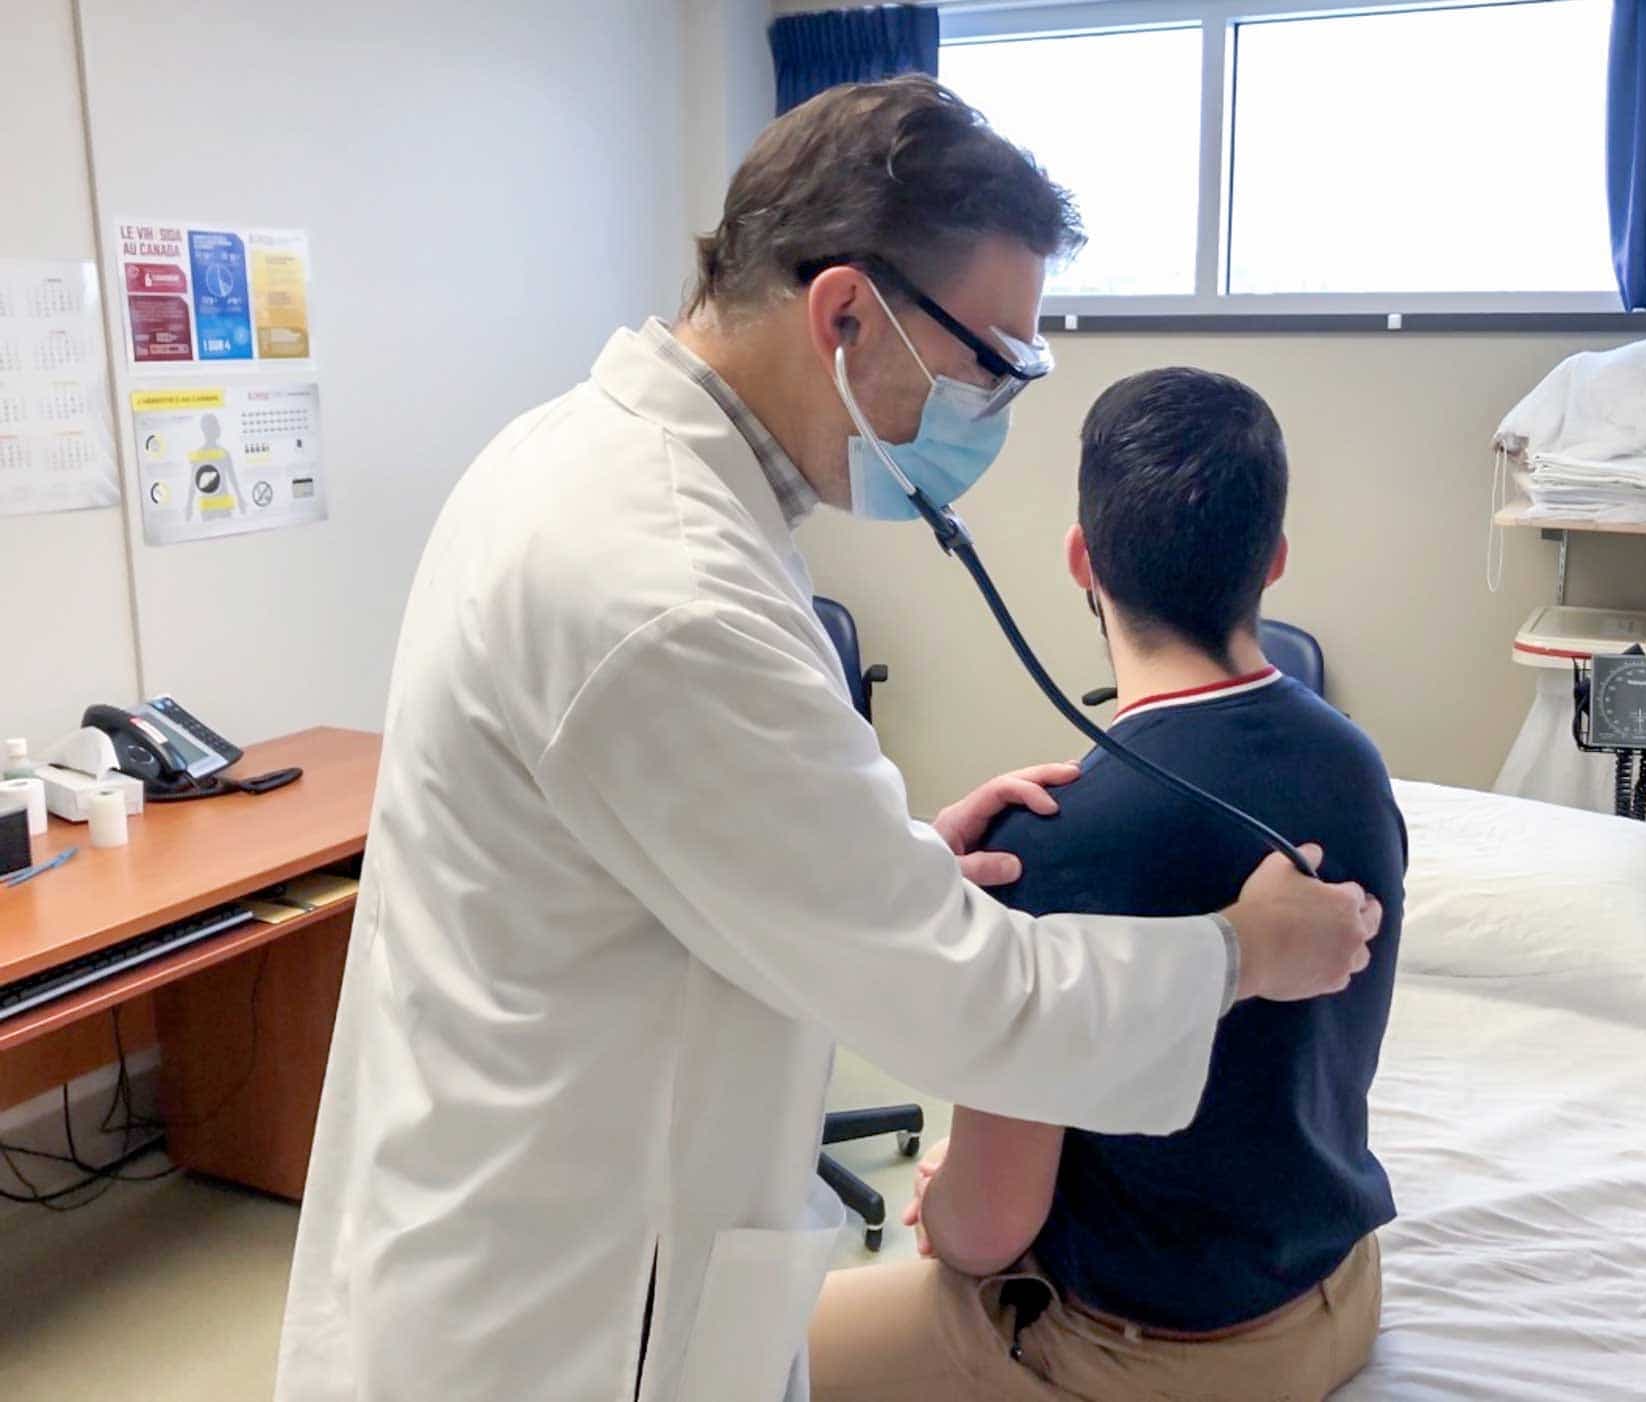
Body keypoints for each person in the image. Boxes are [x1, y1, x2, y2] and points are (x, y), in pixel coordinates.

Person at [275, 80, 1384, 1402]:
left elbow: (681, 835)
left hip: (564, 1173)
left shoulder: (590, 467)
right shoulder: (661, 586)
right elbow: (967, 1000)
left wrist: (887, 854)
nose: (998, 409)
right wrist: (1240, 952)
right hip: (566, 1293)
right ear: (847, 314)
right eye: (993, 365)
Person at [810, 368, 1409, 1401]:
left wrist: (949, 1189)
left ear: (1080, 560)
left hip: (1157, 1357)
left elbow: (984, 1235)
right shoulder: (1353, 764)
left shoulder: (1052, 844)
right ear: (1271, 559)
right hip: (1336, 1297)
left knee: (730, 1355)